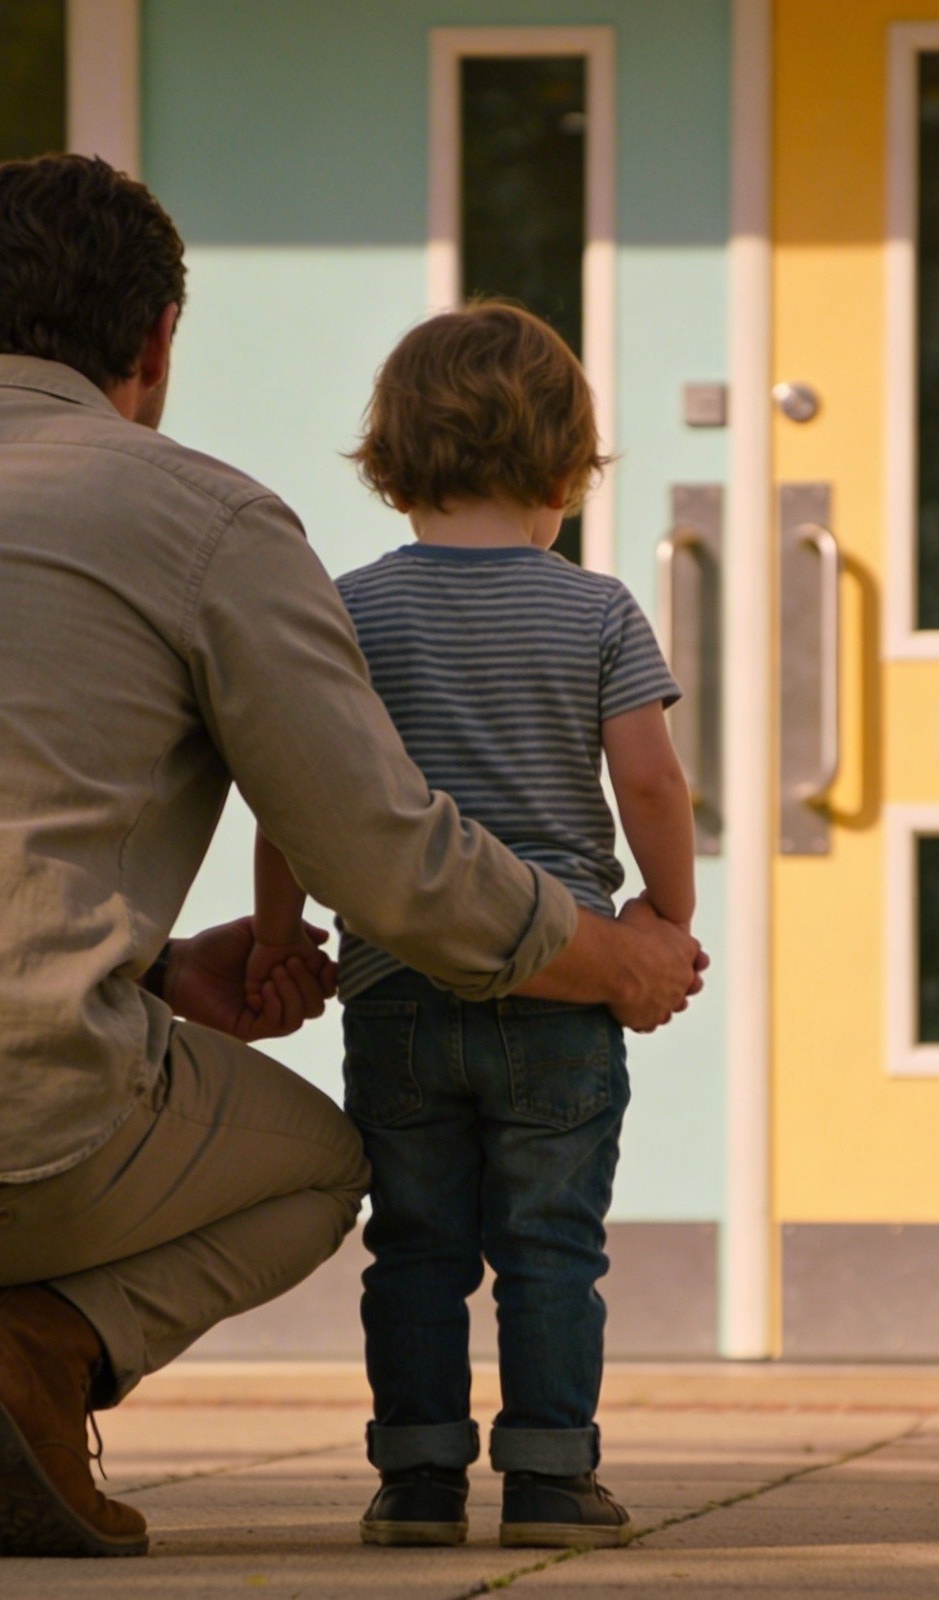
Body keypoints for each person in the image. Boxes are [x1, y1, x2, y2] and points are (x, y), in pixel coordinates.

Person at [0, 155, 703, 1562]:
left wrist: (160, 966)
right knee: (324, 1166)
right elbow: (387, 854)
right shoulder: (207, 521)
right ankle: (35, 1355)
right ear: (157, 342)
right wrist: (619, 952)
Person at [247, 303, 697, 1551]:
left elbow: (297, 790)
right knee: (553, 1240)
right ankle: (551, 1476)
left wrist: (287, 932)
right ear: (565, 468)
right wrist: (668, 906)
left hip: (395, 986)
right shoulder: (597, 611)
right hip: (558, 987)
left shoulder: (348, 612)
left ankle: (417, 1482)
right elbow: (651, 780)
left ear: (390, 461)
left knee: (416, 1246)